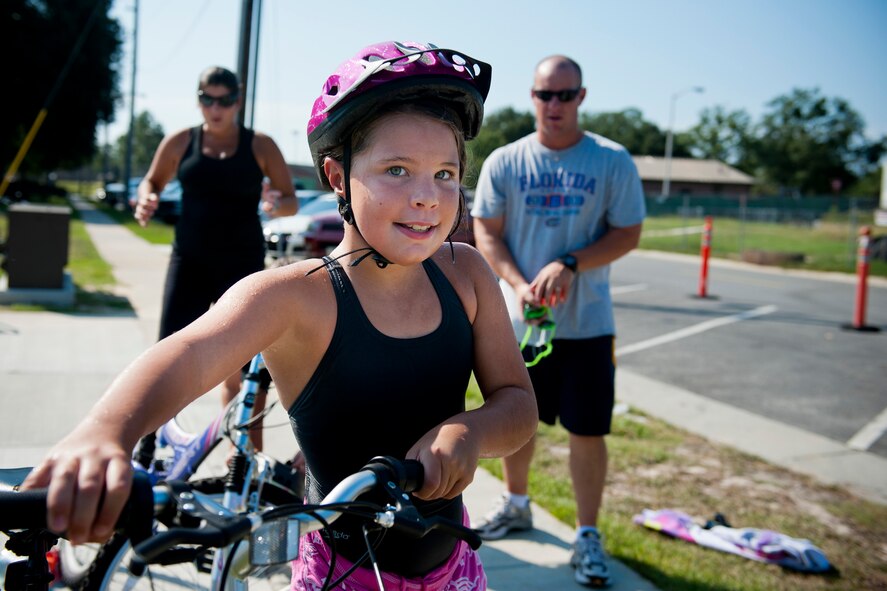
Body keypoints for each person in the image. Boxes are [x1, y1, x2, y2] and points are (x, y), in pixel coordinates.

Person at [24, 41, 538, 591]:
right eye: (396, 169)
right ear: (338, 177)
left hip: (456, 570)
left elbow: (518, 404)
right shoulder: (298, 295)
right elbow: (189, 353)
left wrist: (471, 429)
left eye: (444, 173)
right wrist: (104, 433)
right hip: (340, 575)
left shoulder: (467, 273)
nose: (427, 197)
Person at [470, 55, 646, 588]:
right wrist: (521, 287)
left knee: (587, 429)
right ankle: (517, 503)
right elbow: (488, 233)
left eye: (565, 96)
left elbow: (628, 233)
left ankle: (587, 534)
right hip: (520, 324)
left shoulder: (611, 161)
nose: (554, 105)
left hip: (588, 323)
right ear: (532, 97)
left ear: (581, 98)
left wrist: (571, 262)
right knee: (518, 418)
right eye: (545, 95)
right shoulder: (506, 161)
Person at [133, 66, 297, 451]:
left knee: (247, 368)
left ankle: (243, 454)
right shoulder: (180, 142)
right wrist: (146, 197)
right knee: (168, 355)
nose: (216, 107)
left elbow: (290, 200)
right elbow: (151, 181)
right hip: (189, 261)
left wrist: (276, 204)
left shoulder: (260, 145)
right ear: (198, 99)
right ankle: (150, 444)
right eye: (208, 98)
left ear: (237, 101)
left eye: (225, 100)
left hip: (241, 269)